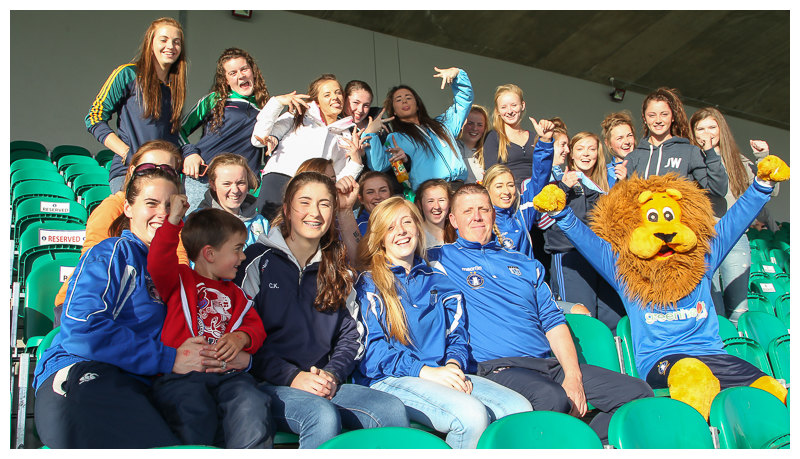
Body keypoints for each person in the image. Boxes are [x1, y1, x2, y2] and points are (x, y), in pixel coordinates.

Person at [431, 184, 653, 444]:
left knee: (638, 393)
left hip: (546, 365)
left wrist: (573, 377)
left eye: (483, 209)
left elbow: (554, 322)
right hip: (497, 369)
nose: (477, 217)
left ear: (493, 214)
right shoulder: (439, 260)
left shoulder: (525, 263)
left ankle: (583, 442)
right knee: (552, 398)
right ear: (453, 220)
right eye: (467, 211)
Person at [32, 165, 235, 448]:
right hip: (86, 373)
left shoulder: (175, 275)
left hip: (147, 383)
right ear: (128, 208)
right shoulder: (114, 252)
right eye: (151, 203)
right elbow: (82, 331)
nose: (162, 213)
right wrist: (169, 358)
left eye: (170, 205)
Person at [234, 172, 409, 448]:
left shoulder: (337, 266)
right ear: (287, 209)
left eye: (324, 204)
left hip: (324, 382)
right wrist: (292, 377)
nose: (314, 213)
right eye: (305, 202)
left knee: (391, 410)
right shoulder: (256, 261)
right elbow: (241, 335)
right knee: (321, 416)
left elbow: (351, 336)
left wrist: (332, 374)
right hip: (267, 384)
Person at [355, 197, 531, 448]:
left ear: (418, 227)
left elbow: (457, 335)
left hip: (440, 371)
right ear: (380, 237)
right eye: (391, 227)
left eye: (407, 222)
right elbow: (373, 353)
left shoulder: (439, 279)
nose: (401, 231)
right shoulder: (368, 285)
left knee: (519, 410)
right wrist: (425, 372)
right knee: (471, 416)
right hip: (390, 379)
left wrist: (452, 365)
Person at [147, 202, 272, 448]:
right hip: (182, 379)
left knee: (253, 403)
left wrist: (241, 338)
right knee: (192, 410)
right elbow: (158, 261)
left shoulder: (237, 294)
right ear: (210, 254)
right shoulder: (180, 280)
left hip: (229, 377)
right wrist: (173, 221)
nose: (243, 256)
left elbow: (255, 328)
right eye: (237, 249)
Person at [52, 140, 188, 326]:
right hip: (90, 303)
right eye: (148, 168)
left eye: (167, 170)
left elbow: (180, 265)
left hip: (143, 302)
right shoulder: (112, 207)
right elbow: (93, 265)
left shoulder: (171, 218)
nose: (157, 175)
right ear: (132, 171)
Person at [689, 107, 775, 324]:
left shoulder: (738, 160)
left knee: (738, 312)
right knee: (712, 311)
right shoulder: (692, 161)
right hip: (703, 241)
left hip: (736, 240)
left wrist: (763, 157)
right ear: (693, 133)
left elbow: (771, 191)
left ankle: (740, 346)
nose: (707, 133)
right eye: (700, 129)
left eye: (712, 127)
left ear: (721, 129)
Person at [85, 17, 187, 193]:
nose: (170, 46)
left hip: (166, 176)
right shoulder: (128, 74)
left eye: (176, 42)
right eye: (163, 40)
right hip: (129, 173)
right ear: (150, 43)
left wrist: (190, 152)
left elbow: (173, 134)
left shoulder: (174, 87)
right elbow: (94, 118)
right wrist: (128, 153)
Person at [251, 74, 366, 219]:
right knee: (269, 230)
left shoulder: (346, 133)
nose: (335, 97)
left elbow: (339, 181)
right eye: (327, 94)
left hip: (313, 192)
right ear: (316, 101)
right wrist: (277, 102)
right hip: (280, 182)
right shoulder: (298, 115)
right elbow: (258, 139)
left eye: (338, 92)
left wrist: (356, 161)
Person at [543, 132, 625, 331]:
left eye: (591, 149)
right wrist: (564, 187)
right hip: (571, 257)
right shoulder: (556, 179)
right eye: (580, 149)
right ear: (571, 154)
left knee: (612, 316)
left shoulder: (607, 184)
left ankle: (613, 353)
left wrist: (624, 184)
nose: (586, 154)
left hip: (602, 257)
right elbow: (543, 215)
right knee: (582, 319)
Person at [180, 48, 270, 213]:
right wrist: (190, 153)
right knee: (196, 227)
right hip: (203, 181)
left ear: (253, 71)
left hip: (238, 189)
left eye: (244, 69)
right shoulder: (214, 99)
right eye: (232, 73)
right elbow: (178, 130)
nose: (241, 76)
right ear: (226, 80)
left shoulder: (267, 109)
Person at [365, 67, 473, 190]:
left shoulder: (443, 124)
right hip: (428, 193)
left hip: (457, 187)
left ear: (417, 105)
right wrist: (370, 133)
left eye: (408, 97)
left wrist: (458, 74)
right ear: (393, 110)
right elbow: (378, 166)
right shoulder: (396, 138)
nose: (404, 101)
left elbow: (464, 102)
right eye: (398, 100)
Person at [625, 87, 728, 197]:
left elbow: (718, 190)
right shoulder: (633, 157)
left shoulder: (690, 152)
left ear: (673, 117)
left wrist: (710, 153)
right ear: (644, 118)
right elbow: (623, 199)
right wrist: (622, 182)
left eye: (664, 114)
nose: (658, 120)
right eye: (652, 115)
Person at [480, 117, 554, 258]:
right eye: (499, 186)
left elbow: (539, 178)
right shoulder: (479, 219)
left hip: (527, 271)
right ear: (487, 189)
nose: (506, 191)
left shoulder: (522, 210)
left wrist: (545, 142)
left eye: (510, 185)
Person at [195, 153, 269, 248]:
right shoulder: (197, 223)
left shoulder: (261, 222)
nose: (235, 190)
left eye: (241, 183)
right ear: (213, 184)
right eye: (227, 184)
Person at [483, 84, 539, 189]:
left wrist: (545, 139)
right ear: (497, 111)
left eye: (514, 105)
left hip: (536, 192)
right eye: (503, 107)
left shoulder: (534, 137)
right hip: (509, 193)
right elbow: (492, 174)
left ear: (522, 105)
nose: (509, 111)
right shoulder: (492, 137)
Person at [414, 179, 457, 248]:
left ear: (450, 203)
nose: (437, 207)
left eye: (441, 200)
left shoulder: (458, 233)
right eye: (430, 201)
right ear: (420, 205)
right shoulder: (415, 237)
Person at [600, 111, 636, 188]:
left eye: (629, 135)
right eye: (620, 138)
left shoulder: (644, 165)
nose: (626, 142)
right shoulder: (604, 173)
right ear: (608, 143)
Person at [457, 105, 490, 183]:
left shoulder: (488, 150)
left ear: (485, 128)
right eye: (470, 123)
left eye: (480, 125)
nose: (475, 128)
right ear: (462, 125)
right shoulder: (453, 149)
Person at [355, 171, 394, 236]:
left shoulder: (404, 220)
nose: (378, 197)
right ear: (361, 199)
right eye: (370, 192)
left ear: (391, 194)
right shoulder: (356, 227)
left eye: (383, 190)